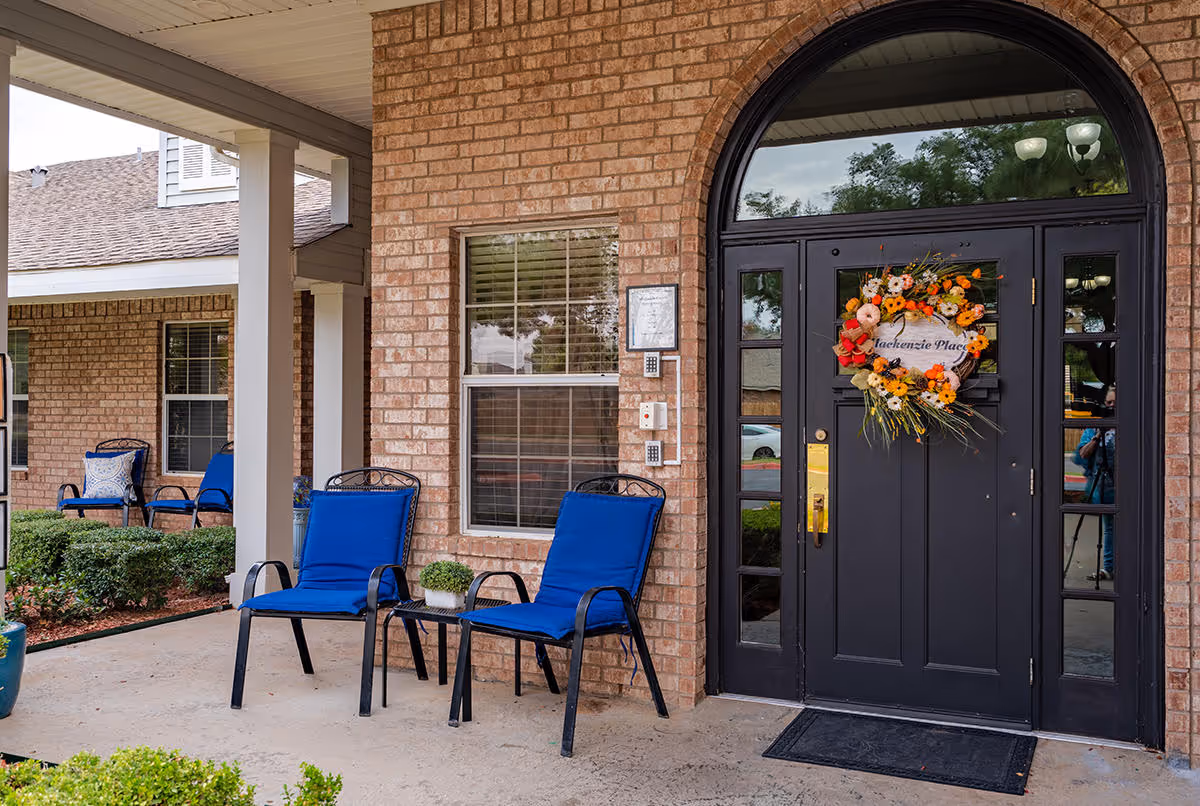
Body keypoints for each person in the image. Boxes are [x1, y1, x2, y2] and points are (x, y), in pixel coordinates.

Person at [1074, 385, 1116, 581]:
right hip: (1104, 485)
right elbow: (1082, 453)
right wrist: (1099, 434)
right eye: (1109, 403)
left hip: (1127, 483)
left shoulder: (1128, 424)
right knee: (1109, 527)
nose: (1112, 406)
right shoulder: (1094, 427)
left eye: (1115, 403)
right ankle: (1109, 567)